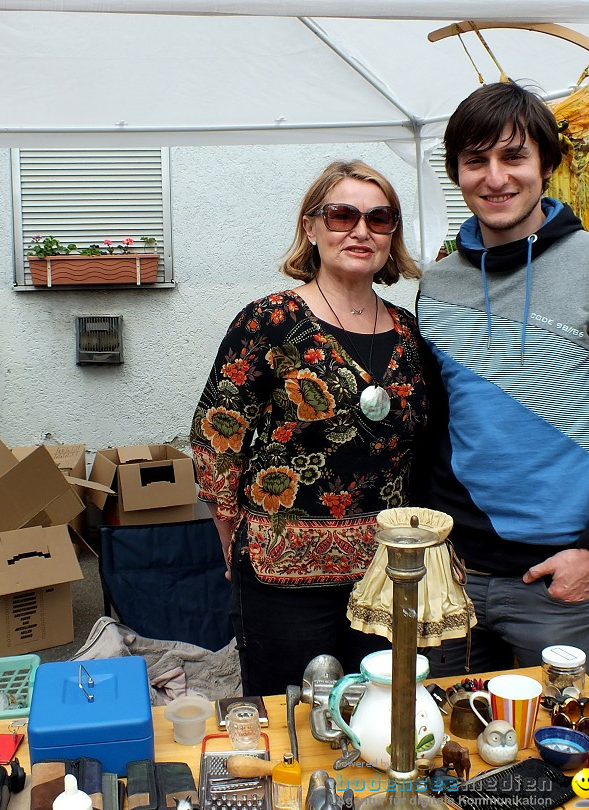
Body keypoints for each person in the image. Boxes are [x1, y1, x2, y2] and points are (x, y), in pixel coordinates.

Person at [414, 83, 589, 698]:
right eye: (476, 161)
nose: (495, 178)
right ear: (457, 173)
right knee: (452, 750)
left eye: (514, 157)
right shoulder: (437, 281)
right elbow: (436, 425)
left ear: (546, 166)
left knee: (571, 752)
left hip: (558, 576)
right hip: (454, 572)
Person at [191, 160, 427, 696]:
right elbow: (216, 434)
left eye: (379, 217)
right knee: (291, 718)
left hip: (387, 577)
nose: (360, 230)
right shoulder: (269, 320)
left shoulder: (410, 332)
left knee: (379, 715)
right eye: (342, 215)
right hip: (282, 577)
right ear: (311, 227)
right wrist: (231, 539)